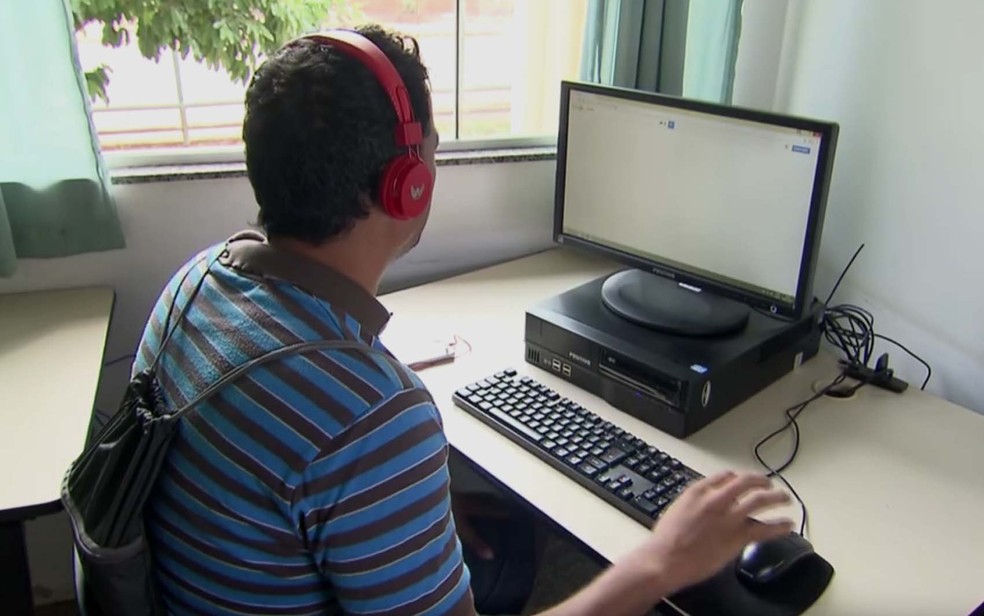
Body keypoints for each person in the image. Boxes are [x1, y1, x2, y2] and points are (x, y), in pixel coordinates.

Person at [133, 24, 794, 616]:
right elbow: (342, 441)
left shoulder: (193, 284)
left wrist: (385, 518)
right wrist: (661, 564)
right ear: (406, 185)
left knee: (504, 533)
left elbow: (271, 474)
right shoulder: (375, 416)